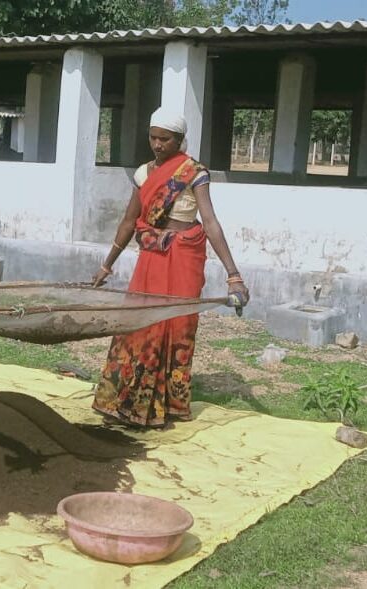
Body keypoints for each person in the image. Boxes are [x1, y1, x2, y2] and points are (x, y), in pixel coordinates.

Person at [89, 107, 249, 429]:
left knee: (178, 326)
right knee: (139, 325)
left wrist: (234, 275)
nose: (158, 144)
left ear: (180, 140)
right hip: (151, 257)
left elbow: (211, 222)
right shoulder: (143, 174)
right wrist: (107, 265)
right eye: (153, 137)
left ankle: (168, 404)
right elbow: (129, 221)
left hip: (183, 258)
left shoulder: (194, 172)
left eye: (165, 139)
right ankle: (129, 402)